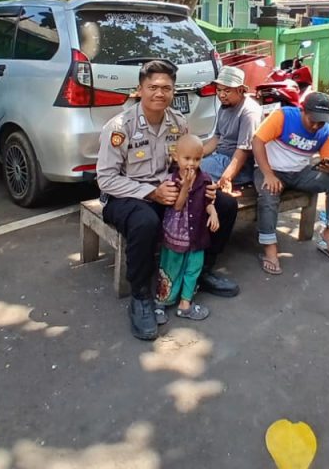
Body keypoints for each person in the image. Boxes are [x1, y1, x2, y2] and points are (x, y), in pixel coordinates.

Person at [97, 59, 240, 341]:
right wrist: (151, 193)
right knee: (145, 222)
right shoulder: (119, 127)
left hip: (173, 192)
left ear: (173, 91)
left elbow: (188, 162)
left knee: (225, 205)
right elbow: (106, 180)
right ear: (140, 89)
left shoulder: (178, 122)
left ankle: (200, 272)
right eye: (153, 87)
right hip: (126, 196)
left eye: (167, 88)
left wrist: (202, 187)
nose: (159, 93)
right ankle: (140, 296)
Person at [251, 91, 329, 275]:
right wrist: (268, 174)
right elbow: (257, 141)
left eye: (321, 121)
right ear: (302, 110)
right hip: (271, 170)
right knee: (268, 195)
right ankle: (270, 249)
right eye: (313, 120)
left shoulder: (326, 130)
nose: (316, 126)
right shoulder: (283, 116)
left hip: (300, 172)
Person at [156, 134, 220, 321]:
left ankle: (185, 303)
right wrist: (184, 188)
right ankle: (162, 301)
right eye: (187, 158)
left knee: (193, 268)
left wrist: (213, 212)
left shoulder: (204, 179)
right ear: (176, 157)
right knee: (171, 268)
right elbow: (177, 205)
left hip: (197, 234)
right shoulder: (172, 180)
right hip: (176, 234)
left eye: (197, 159)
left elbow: (208, 201)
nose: (192, 164)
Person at [200, 65, 262, 191]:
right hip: (219, 158)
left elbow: (243, 151)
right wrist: (196, 155)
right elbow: (216, 138)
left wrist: (226, 178)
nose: (221, 95)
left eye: (227, 91)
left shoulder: (249, 112)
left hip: (239, 167)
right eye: (218, 90)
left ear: (240, 90)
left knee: (193, 171)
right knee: (186, 164)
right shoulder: (224, 106)